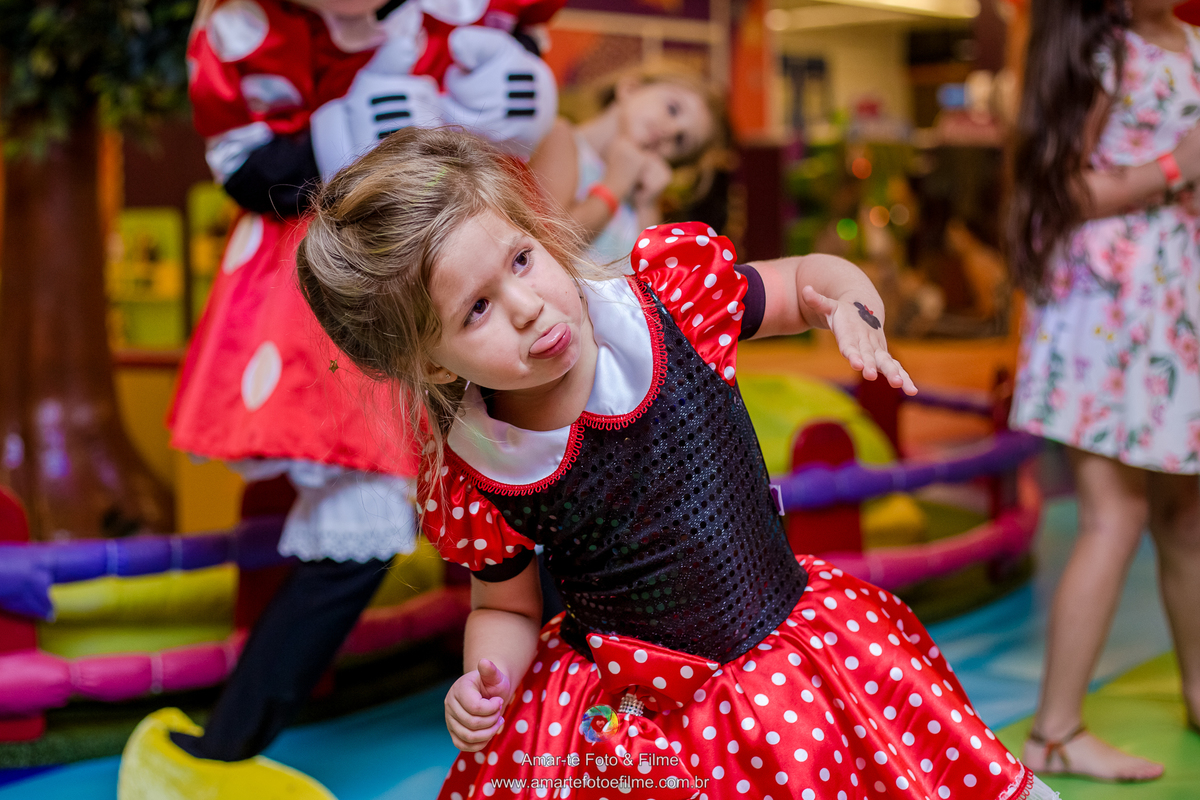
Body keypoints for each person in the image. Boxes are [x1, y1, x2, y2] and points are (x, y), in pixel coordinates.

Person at [296, 126, 1058, 800]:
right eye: (477, 311)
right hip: (627, 724)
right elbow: (505, 605)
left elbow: (801, 283)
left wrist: (851, 306)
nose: (526, 306)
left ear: (538, 231)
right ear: (429, 365)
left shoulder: (664, 311)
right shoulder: (480, 466)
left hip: (787, 660)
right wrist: (483, 680)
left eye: (522, 261)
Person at [118, 1, 558, 798]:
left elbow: (513, 88)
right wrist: (334, 135)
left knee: (545, 489)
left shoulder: (467, 13)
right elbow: (245, 165)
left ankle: (582, 712)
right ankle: (224, 748)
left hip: (477, 269)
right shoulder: (247, 35)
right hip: (352, 296)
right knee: (359, 526)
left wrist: (515, 103)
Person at [1008, 0, 1200, 783]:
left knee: (1187, 513)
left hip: (1175, 305)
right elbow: (1061, 196)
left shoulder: (1188, 42)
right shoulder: (1101, 55)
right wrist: (1175, 168)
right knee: (1112, 515)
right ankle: (1054, 731)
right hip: (1114, 309)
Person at [529, 63, 726, 265]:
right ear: (630, 88)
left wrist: (648, 205)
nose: (671, 130)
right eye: (672, 109)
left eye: (680, 141)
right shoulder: (561, 137)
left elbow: (650, 281)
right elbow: (549, 243)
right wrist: (614, 184)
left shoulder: (642, 201)